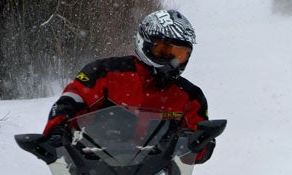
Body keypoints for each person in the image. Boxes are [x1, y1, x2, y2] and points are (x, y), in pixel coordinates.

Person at [43, 9, 214, 164]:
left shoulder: (190, 96)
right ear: (144, 43)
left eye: (179, 55)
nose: (172, 61)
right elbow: (74, 98)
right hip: (93, 169)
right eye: (163, 51)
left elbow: (200, 143)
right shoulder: (106, 73)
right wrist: (56, 130)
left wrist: (199, 142)